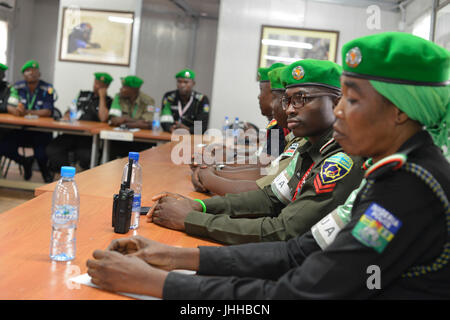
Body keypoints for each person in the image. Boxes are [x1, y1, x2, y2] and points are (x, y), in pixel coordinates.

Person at [87, 32, 450, 299]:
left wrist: (159, 284)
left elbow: (304, 291)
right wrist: (171, 256)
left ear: (400, 111)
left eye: (352, 100)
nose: (339, 111)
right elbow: (302, 251)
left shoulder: (410, 186)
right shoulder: (393, 170)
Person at [147, 59, 365, 245]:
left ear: (337, 103)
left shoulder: (342, 158)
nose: (289, 108)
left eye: (301, 99)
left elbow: (283, 231)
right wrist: (199, 205)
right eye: (287, 100)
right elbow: (270, 198)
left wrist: (191, 219)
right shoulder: (310, 146)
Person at [191, 65, 303, 195]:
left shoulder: (282, 128)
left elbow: (264, 170)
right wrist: (220, 162)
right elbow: (262, 162)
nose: (258, 97)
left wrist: (214, 170)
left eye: (262, 91)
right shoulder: (283, 129)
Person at [46, 72, 113, 173]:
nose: (97, 86)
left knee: (86, 157)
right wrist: (67, 114)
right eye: (96, 82)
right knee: (52, 149)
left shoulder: (108, 101)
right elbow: (70, 109)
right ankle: (67, 173)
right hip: (71, 133)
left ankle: (79, 176)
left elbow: (103, 118)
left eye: (101, 85)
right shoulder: (82, 94)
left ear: (106, 87)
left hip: (89, 138)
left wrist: (102, 97)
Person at [0, 60, 54, 182]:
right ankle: (25, 162)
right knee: (3, 145)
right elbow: (12, 107)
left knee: (42, 152)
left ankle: (45, 172)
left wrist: (27, 112)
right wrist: (18, 111)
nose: (32, 73)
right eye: (28, 71)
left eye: (35, 71)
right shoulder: (16, 87)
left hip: (41, 131)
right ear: (24, 75)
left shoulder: (47, 88)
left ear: (39, 74)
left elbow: (47, 112)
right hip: (21, 130)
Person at [108, 75, 157, 159]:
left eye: (124, 87)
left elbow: (147, 124)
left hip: (141, 141)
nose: (121, 89)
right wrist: (137, 122)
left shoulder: (148, 101)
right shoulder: (118, 97)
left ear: (134, 90)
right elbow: (114, 120)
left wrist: (125, 120)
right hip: (120, 139)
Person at [160, 69, 210, 134]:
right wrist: (170, 128)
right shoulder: (169, 97)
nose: (182, 85)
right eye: (179, 82)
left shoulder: (201, 100)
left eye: (186, 82)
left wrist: (186, 129)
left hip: (193, 138)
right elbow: (164, 119)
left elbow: (201, 128)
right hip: (171, 135)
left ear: (193, 84)